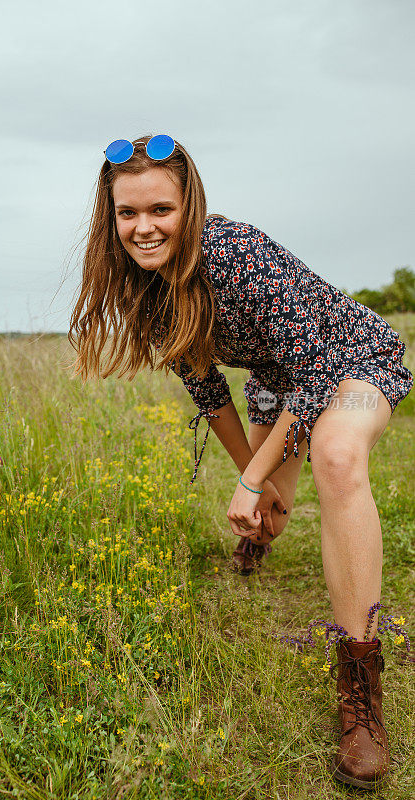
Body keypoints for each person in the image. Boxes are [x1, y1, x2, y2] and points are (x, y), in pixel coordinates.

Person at [68, 134, 413, 789]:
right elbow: (206, 388)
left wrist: (255, 477)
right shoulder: (145, 289)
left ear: (188, 204)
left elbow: (315, 370)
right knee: (265, 505)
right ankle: (260, 541)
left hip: (350, 363)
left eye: (160, 210)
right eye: (127, 214)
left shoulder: (238, 254)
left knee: (335, 458)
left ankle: (360, 690)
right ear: (109, 219)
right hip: (276, 382)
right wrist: (251, 483)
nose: (143, 228)